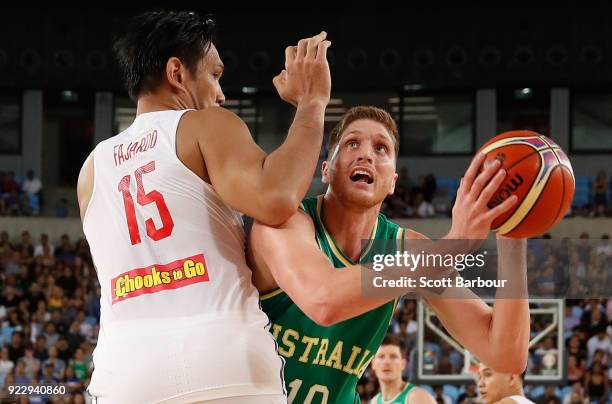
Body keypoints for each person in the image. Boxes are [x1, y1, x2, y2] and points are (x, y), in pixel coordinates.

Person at [76, 9, 332, 403]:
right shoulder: (203, 126)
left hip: (124, 371)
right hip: (223, 356)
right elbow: (277, 198)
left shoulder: (91, 169)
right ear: (177, 73)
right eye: (214, 75)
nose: (220, 94)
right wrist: (312, 104)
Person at [248, 106, 529, 403]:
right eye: (352, 143)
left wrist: (515, 231)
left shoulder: (407, 248)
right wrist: (454, 244)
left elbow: (505, 354)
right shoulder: (285, 221)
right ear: (327, 170)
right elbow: (324, 300)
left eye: (381, 148)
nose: (366, 154)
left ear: (393, 181)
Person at [369, 334, 435, 403]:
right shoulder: (374, 401)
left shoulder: (417, 397)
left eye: (393, 356)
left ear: (403, 364)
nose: (387, 362)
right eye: (381, 356)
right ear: (373, 364)